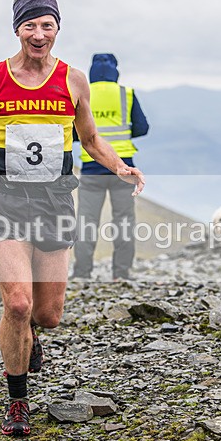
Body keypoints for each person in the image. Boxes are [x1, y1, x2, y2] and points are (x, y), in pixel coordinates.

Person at [0, 0, 145, 437]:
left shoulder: (74, 80)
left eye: (47, 25)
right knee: (17, 303)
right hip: (4, 200)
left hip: (54, 201)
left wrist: (119, 166)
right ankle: (17, 403)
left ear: (57, 28)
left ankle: (28, 337)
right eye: (30, 25)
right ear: (17, 29)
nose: (39, 33)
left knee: (48, 314)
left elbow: (90, 140)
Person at [72, 53, 149, 281]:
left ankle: (82, 273)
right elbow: (143, 127)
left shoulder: (82, 93)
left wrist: (92, 138)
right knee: (124, 221)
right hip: (123, 167)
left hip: (91, 166)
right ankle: (121, 273)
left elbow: (73, 130)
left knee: (87, 221)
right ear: (116, 71)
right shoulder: (126, 94)